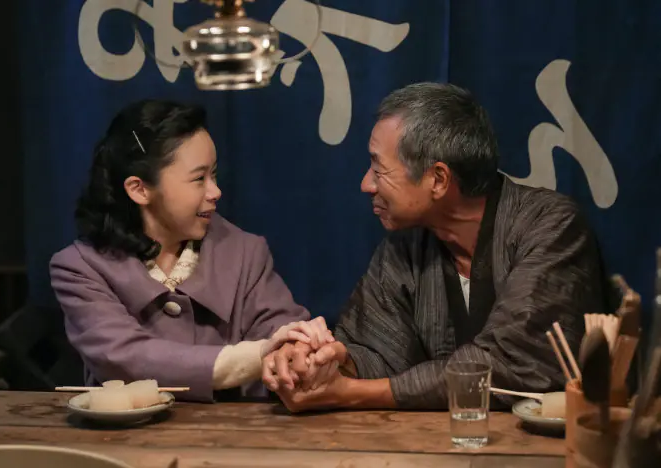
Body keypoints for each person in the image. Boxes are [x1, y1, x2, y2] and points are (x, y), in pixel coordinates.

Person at [261, 82, 612, 412]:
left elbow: (510, 363)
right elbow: (374, 350)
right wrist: (325, 361)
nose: (366, 184)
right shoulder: (405, 246)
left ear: (438, 179)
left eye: (379, 169)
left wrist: (351, 394)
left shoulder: (552, 227)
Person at [50, 100, 331, 402]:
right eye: (199, 179)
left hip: (234, 429)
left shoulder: (244, 251)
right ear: (139, 189)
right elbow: (124, 357)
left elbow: (280, 325)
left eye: (214, 175)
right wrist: (258, 354)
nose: (215, 192)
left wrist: (296, 346)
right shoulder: (79, 267)